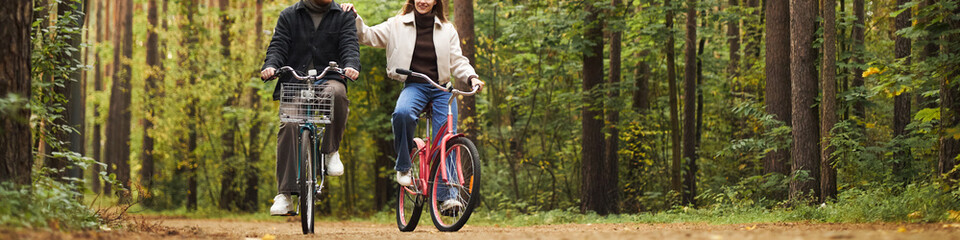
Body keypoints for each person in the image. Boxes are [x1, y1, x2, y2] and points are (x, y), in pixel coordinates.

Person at [341, 0, 485, 212]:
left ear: (436, 2)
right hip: (415, 86)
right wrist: (355, 17)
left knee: (446, 138)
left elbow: (458, 61)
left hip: (442, 88)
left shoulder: (447, 29)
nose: (423, 1)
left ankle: (447, 197)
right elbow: (368, 36)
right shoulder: (397, 24)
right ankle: (404, 165)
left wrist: (472, 77)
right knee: (402, 114)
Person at [260, 0, 361, 216]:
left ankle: (330, 151)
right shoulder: (289, 15)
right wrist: (271, 66)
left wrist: (351, 65)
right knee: (289, 124)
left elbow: (350, 46)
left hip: (328, 78)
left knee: (338, 94)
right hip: (295, 81)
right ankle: (285, 194)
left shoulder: (343, 15)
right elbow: (278, 46)